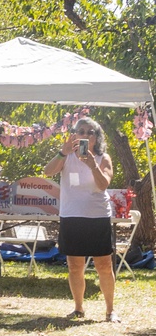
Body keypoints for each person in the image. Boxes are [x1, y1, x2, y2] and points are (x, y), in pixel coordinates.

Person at [43, 117, 118, 321]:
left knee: (104, 265)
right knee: (75, 265)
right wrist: (62, 152)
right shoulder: (66, 157)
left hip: (97, 216)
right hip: (71, 215)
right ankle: (78, 308)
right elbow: (47, 171)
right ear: (74, 134)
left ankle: (110, 311)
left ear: (96, 137)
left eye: (89, 132)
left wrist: (93, 165)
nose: (85, 135)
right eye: (81, 131)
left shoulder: (104, 158)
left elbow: (103, 185)